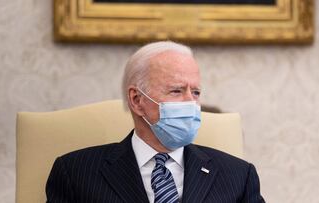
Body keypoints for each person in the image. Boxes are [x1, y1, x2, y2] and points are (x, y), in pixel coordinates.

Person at [46, 41, 265, 203]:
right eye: (176, 91)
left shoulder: (238, 176)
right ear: (137, 100)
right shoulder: (75, 173)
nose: (191, 102)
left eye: (196, 92)